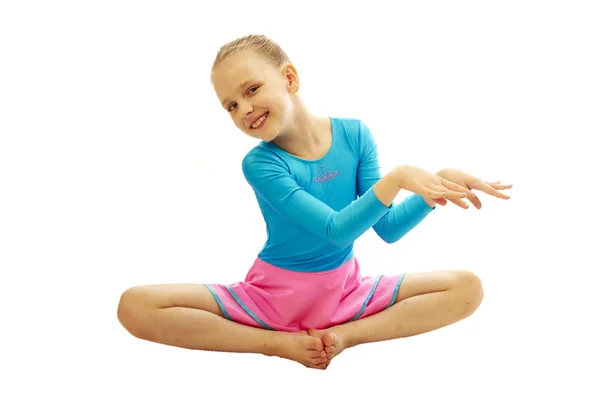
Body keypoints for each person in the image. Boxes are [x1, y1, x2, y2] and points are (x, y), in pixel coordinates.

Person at [117, 34, 512, 370]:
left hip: (346, 293)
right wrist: (397, 180)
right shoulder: (261, 163)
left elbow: (386, 229)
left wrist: (434, 188)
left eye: (251, 90)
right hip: (269, 299)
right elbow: (334, 230)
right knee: (134, 305)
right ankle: (277, 344)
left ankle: (344, 336)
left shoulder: (355, 136)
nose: (244, 110)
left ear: (289, 77)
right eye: (231, 106)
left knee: (467, 288)